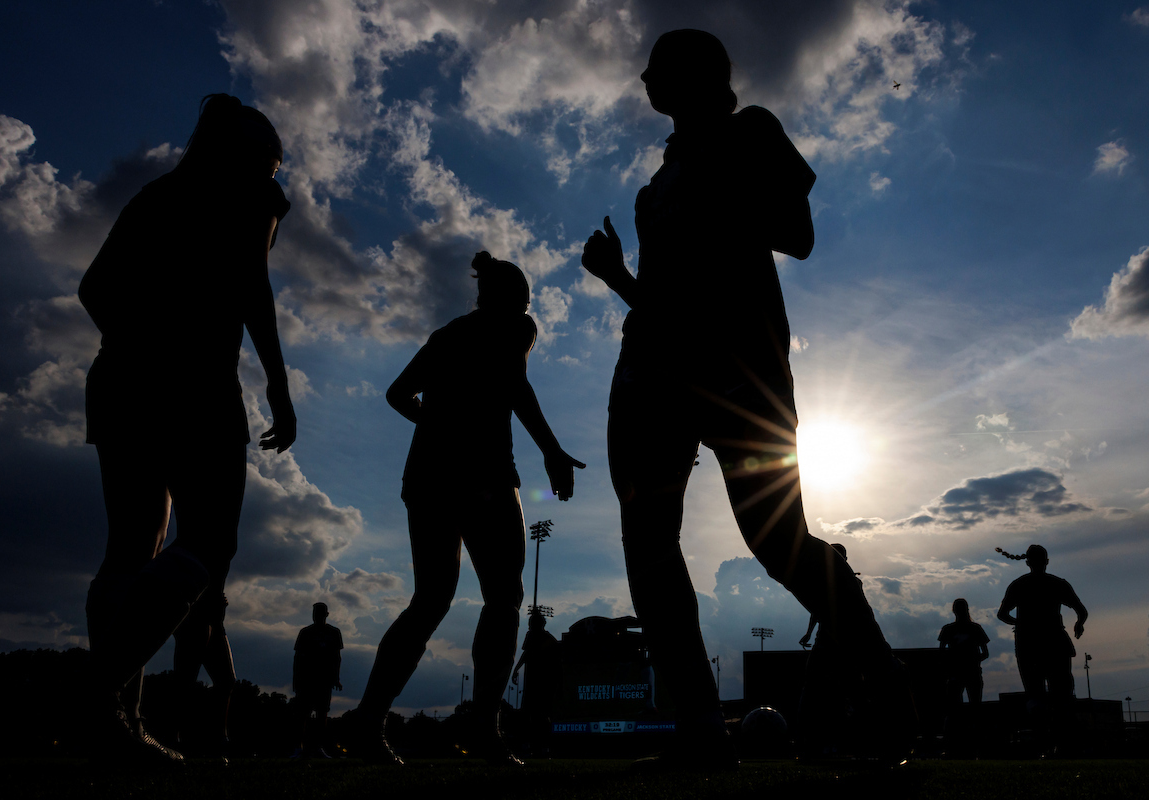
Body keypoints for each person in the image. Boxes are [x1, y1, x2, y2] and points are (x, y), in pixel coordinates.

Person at [581, 29, 903, 764]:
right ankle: (699, 725)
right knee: (648, 541)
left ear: (697, 75)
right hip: (652, 372)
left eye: (658, 67)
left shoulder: (750, 130)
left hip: (741, 370)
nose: (643, 78)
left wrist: (720, 192)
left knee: (777, 541)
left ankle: (883, 675)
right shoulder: (652, 189)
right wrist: (617, 276)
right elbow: (662, 303)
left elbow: (798, 234)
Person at [79, 93, 296, 762]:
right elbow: (255, 288)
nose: (275, 176)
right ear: (250, 159)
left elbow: (93, 290)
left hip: (119, 381)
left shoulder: (156, 196)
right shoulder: (253, 197)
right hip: (196, 385)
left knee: (129, 548)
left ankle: (117, 719)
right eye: (272, 164)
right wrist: (278, 384)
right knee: (210, 539)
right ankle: (99, 692)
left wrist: (138, 345)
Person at [355, 251, 584, 766]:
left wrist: (438, 426)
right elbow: (516, 386)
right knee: (503, 597)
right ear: (515, 299)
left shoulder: (446, 335)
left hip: (427, 477)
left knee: (430, 599)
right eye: (525, 301)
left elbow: (397, 394)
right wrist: (551, 450)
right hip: (484, 475)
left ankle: (369, 720)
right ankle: (484, 729)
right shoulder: (516, 327)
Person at [996, 544, 1087, 741]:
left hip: (1029, 644)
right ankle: (1063, 738)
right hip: (1054, 642)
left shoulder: (1019, 585)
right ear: (1046, 562)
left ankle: (1043, 739)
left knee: (1036, 694)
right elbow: (1081, 611)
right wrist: (1079, 624)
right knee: (1061, 693)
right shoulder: (1058, 584)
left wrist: (1020, 623)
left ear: (1027, 563)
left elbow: (1002, 614)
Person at [293, 602, 344, 758]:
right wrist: (296, 680)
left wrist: (336, 678)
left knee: (322, 714)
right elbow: (298, 658)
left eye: (320, 613)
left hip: (324, 679)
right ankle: (299, 747)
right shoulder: (305, 632)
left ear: (326, 615)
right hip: (307, 679)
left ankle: (318, 747)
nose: (317, 616)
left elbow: (337, 657)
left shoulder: (334, 633)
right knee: (303, 714)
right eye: (315, 613)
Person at [511, 610, 563, 756]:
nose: (529, 626)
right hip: (531, 682)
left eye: (532, 623)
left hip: (542, 683)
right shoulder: (532, 636)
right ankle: (530, 745)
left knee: (541, 715)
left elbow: (556, 662)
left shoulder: (548, 640)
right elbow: (526, 654)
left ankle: (543, 745)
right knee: (529, 714)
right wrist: (516, 669)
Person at [798, 543, 851, 648]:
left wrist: (809, 632)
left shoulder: (825, 583)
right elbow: (817, 610)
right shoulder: (850, 582)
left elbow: (816, 611)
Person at [938, 598, 990, 704]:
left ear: (953, 610)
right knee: (974, 704)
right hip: (968, 672)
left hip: (960, 672)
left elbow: (941, 652)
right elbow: (985, 653)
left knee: (957, 705)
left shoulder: (948, 629)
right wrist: (973, 661)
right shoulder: (975, 628)